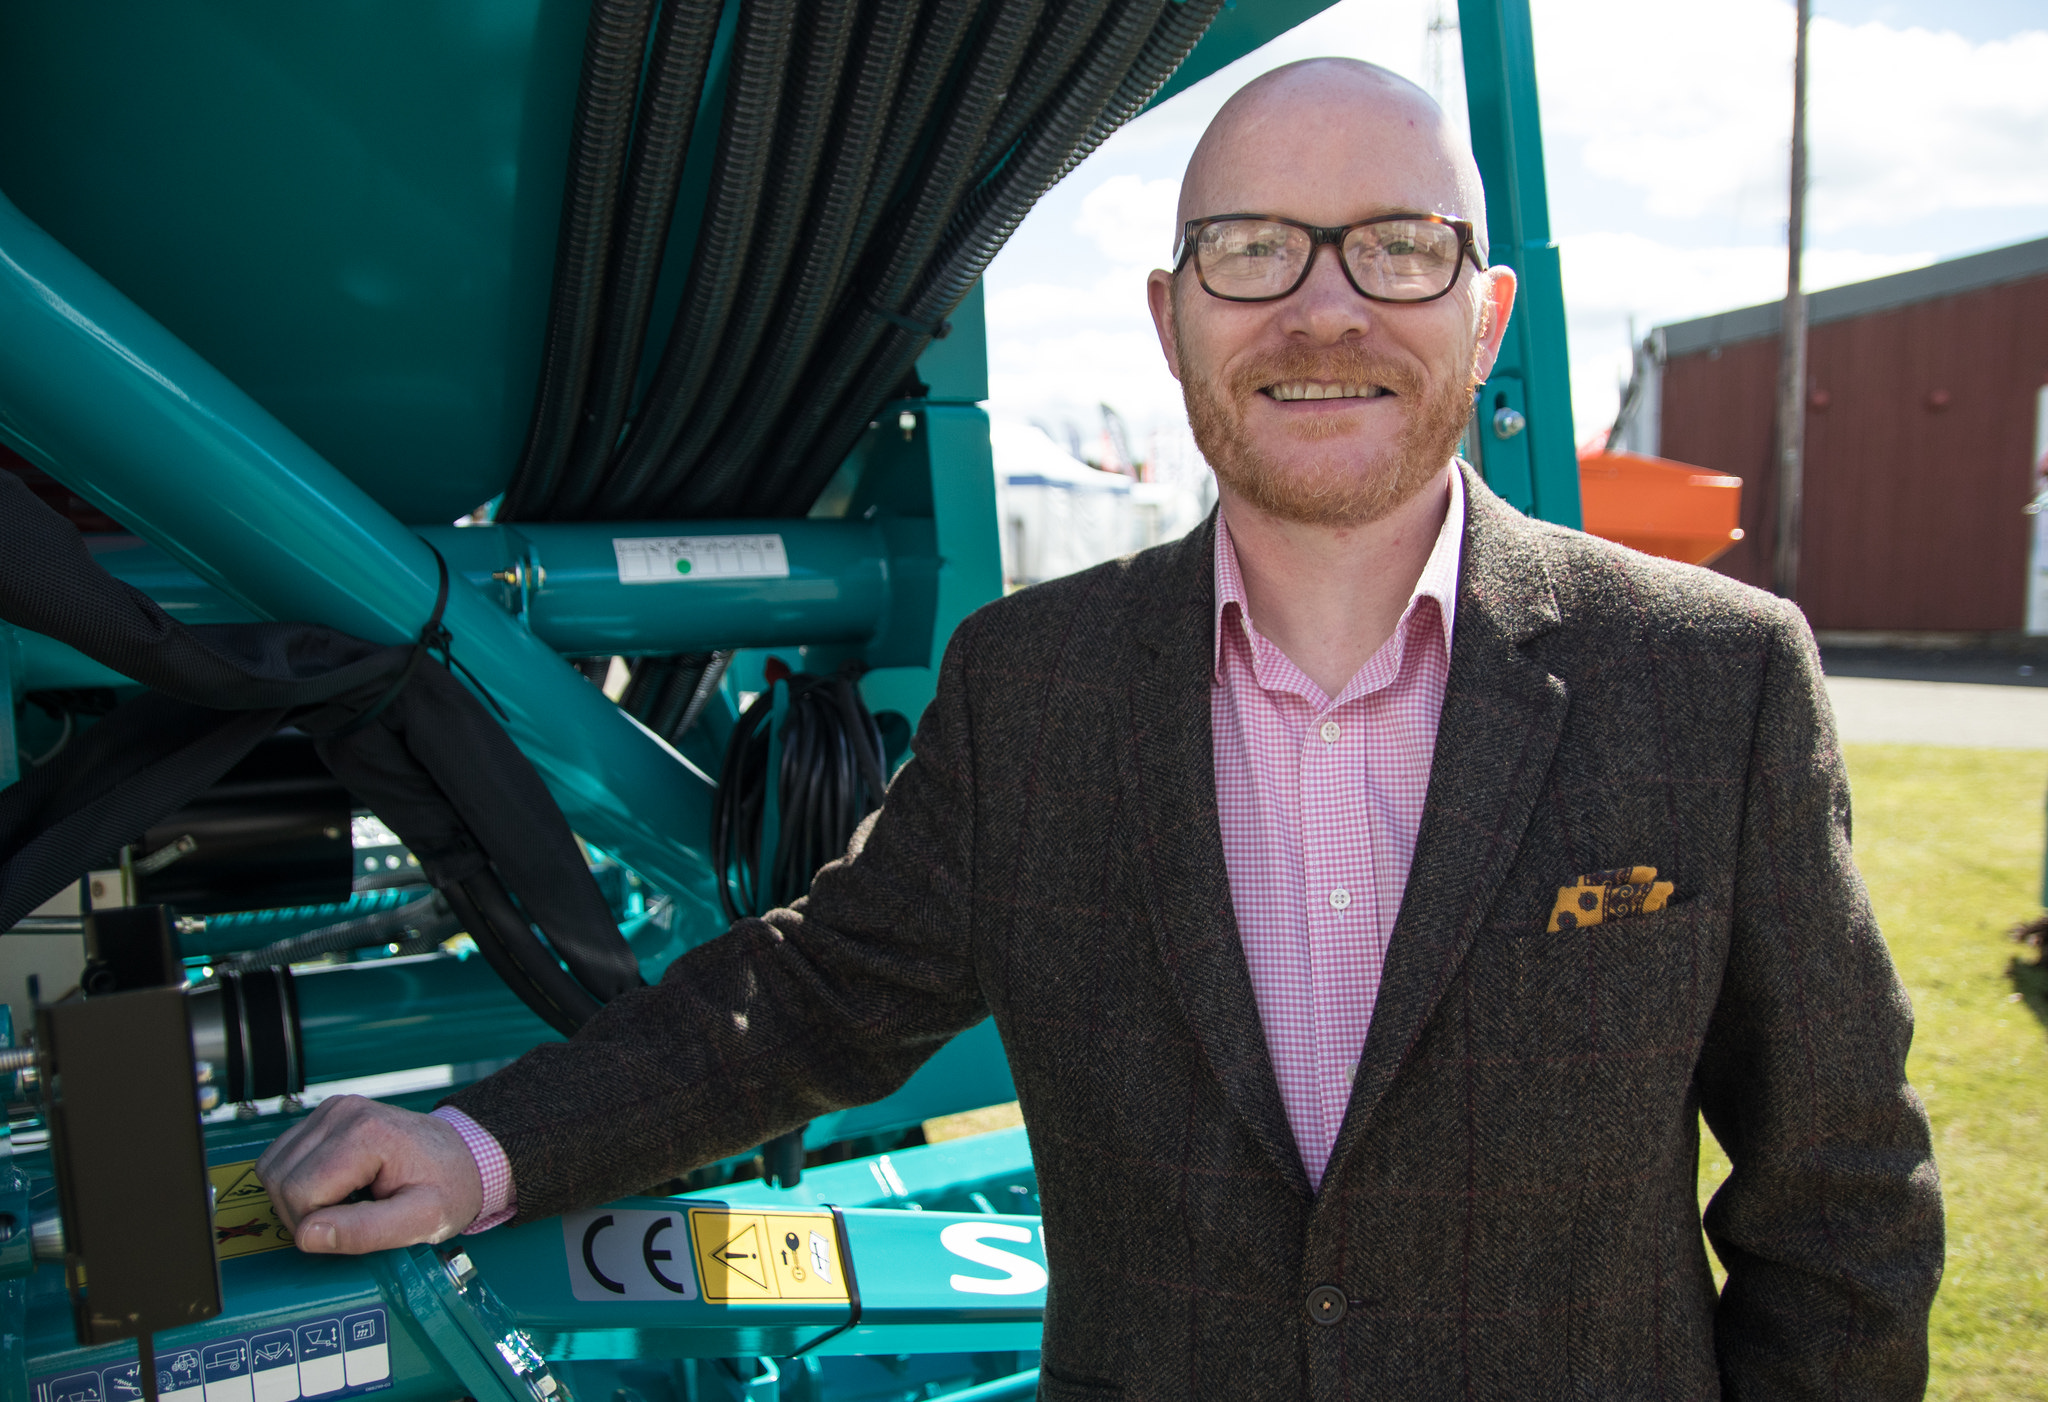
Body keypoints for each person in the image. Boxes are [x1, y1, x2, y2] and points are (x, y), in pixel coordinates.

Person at [258, 58, 1942, 1398]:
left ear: (1486, 314)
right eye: (1253, 248)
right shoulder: (1033, 687)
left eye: (1399, 245)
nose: (1326, 308)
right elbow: (811, 999)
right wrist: (482, 1144)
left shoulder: (1709, 681)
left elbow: (1842, 1201)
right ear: (1171, 314)